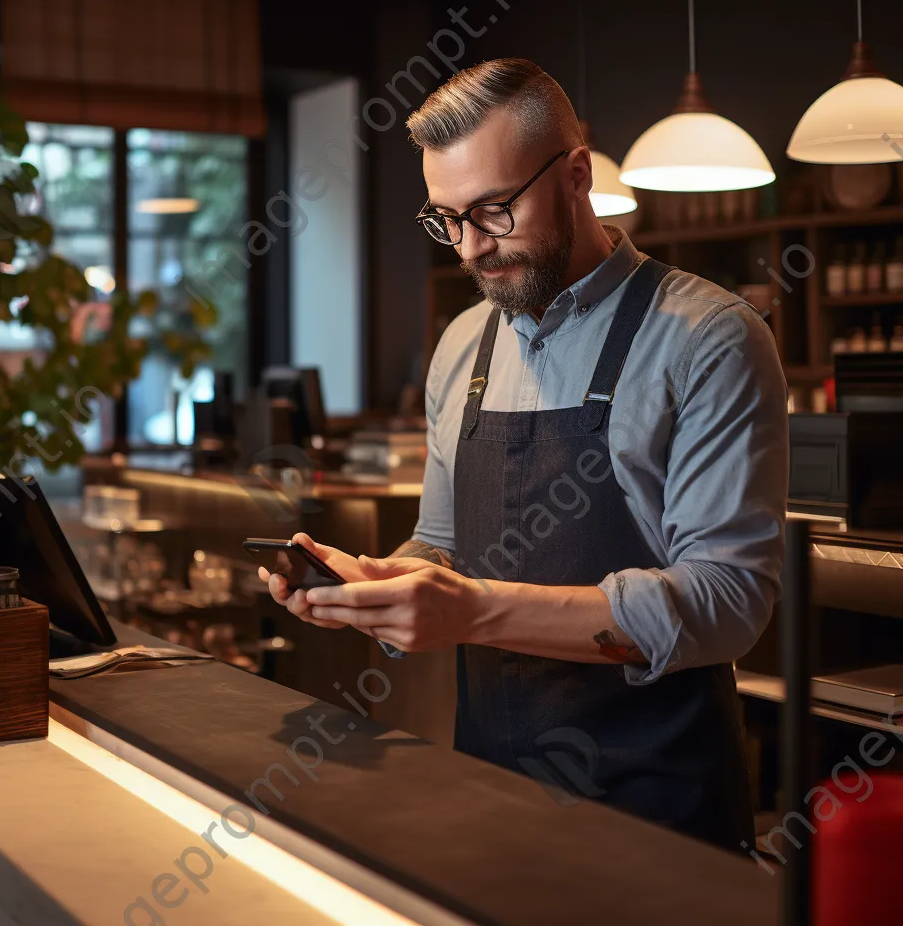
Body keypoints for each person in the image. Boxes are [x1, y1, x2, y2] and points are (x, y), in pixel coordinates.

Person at [260, 58, 788, 851]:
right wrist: (376, 589)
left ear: (576, 175)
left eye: (495, 211)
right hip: (490, 789)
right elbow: (439, 546)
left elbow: (727, 603)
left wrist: (469, 609)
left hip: (660, 811)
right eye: (447, 219)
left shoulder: (709, 340)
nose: (471, 248)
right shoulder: (462, 344)